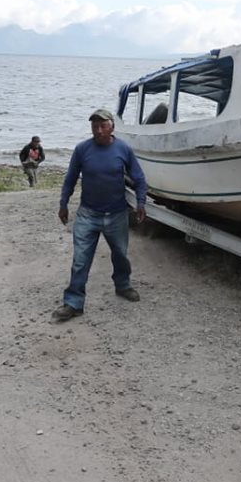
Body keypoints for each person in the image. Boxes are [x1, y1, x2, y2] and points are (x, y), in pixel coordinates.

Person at [54, 108, 148, 322]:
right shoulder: (82, 150)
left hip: (116, 214)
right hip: (88, 214)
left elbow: (139, 178)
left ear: (111, 127)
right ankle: (73, 303)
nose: (97, 130)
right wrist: (63, 203)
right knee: (80, 259)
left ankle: (123, 286)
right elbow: (70, 179)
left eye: (102, 126)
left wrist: (141, 202)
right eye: (94, 126)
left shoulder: (123, 149)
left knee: (121, 254)